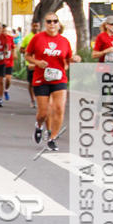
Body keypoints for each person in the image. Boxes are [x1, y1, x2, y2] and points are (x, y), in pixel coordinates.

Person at [26, 12, 81, 151]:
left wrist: (74, 59)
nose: (52, 24)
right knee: (43, 113)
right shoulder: (37, 38)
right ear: (45, 23)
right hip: (41, 78)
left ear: (58, 24)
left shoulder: (64, 41)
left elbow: (67, 59)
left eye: (54, 21)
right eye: (49, 21)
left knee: (59, 109)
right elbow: (27, 56)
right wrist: (37, 62)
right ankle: (39, 126)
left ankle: (52, 138)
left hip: (59, 78)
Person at [21, 20, 40, 107]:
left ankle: (39, 98)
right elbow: (21, 49)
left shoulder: (41, 37)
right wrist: (29, 51)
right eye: (34, 26)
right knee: (31, 82)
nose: (35, 28)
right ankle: (32, 99)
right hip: (30, 63)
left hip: (40, 63)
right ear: (31, 26)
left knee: (40, 82)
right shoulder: (27, 37)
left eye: (37, 26)